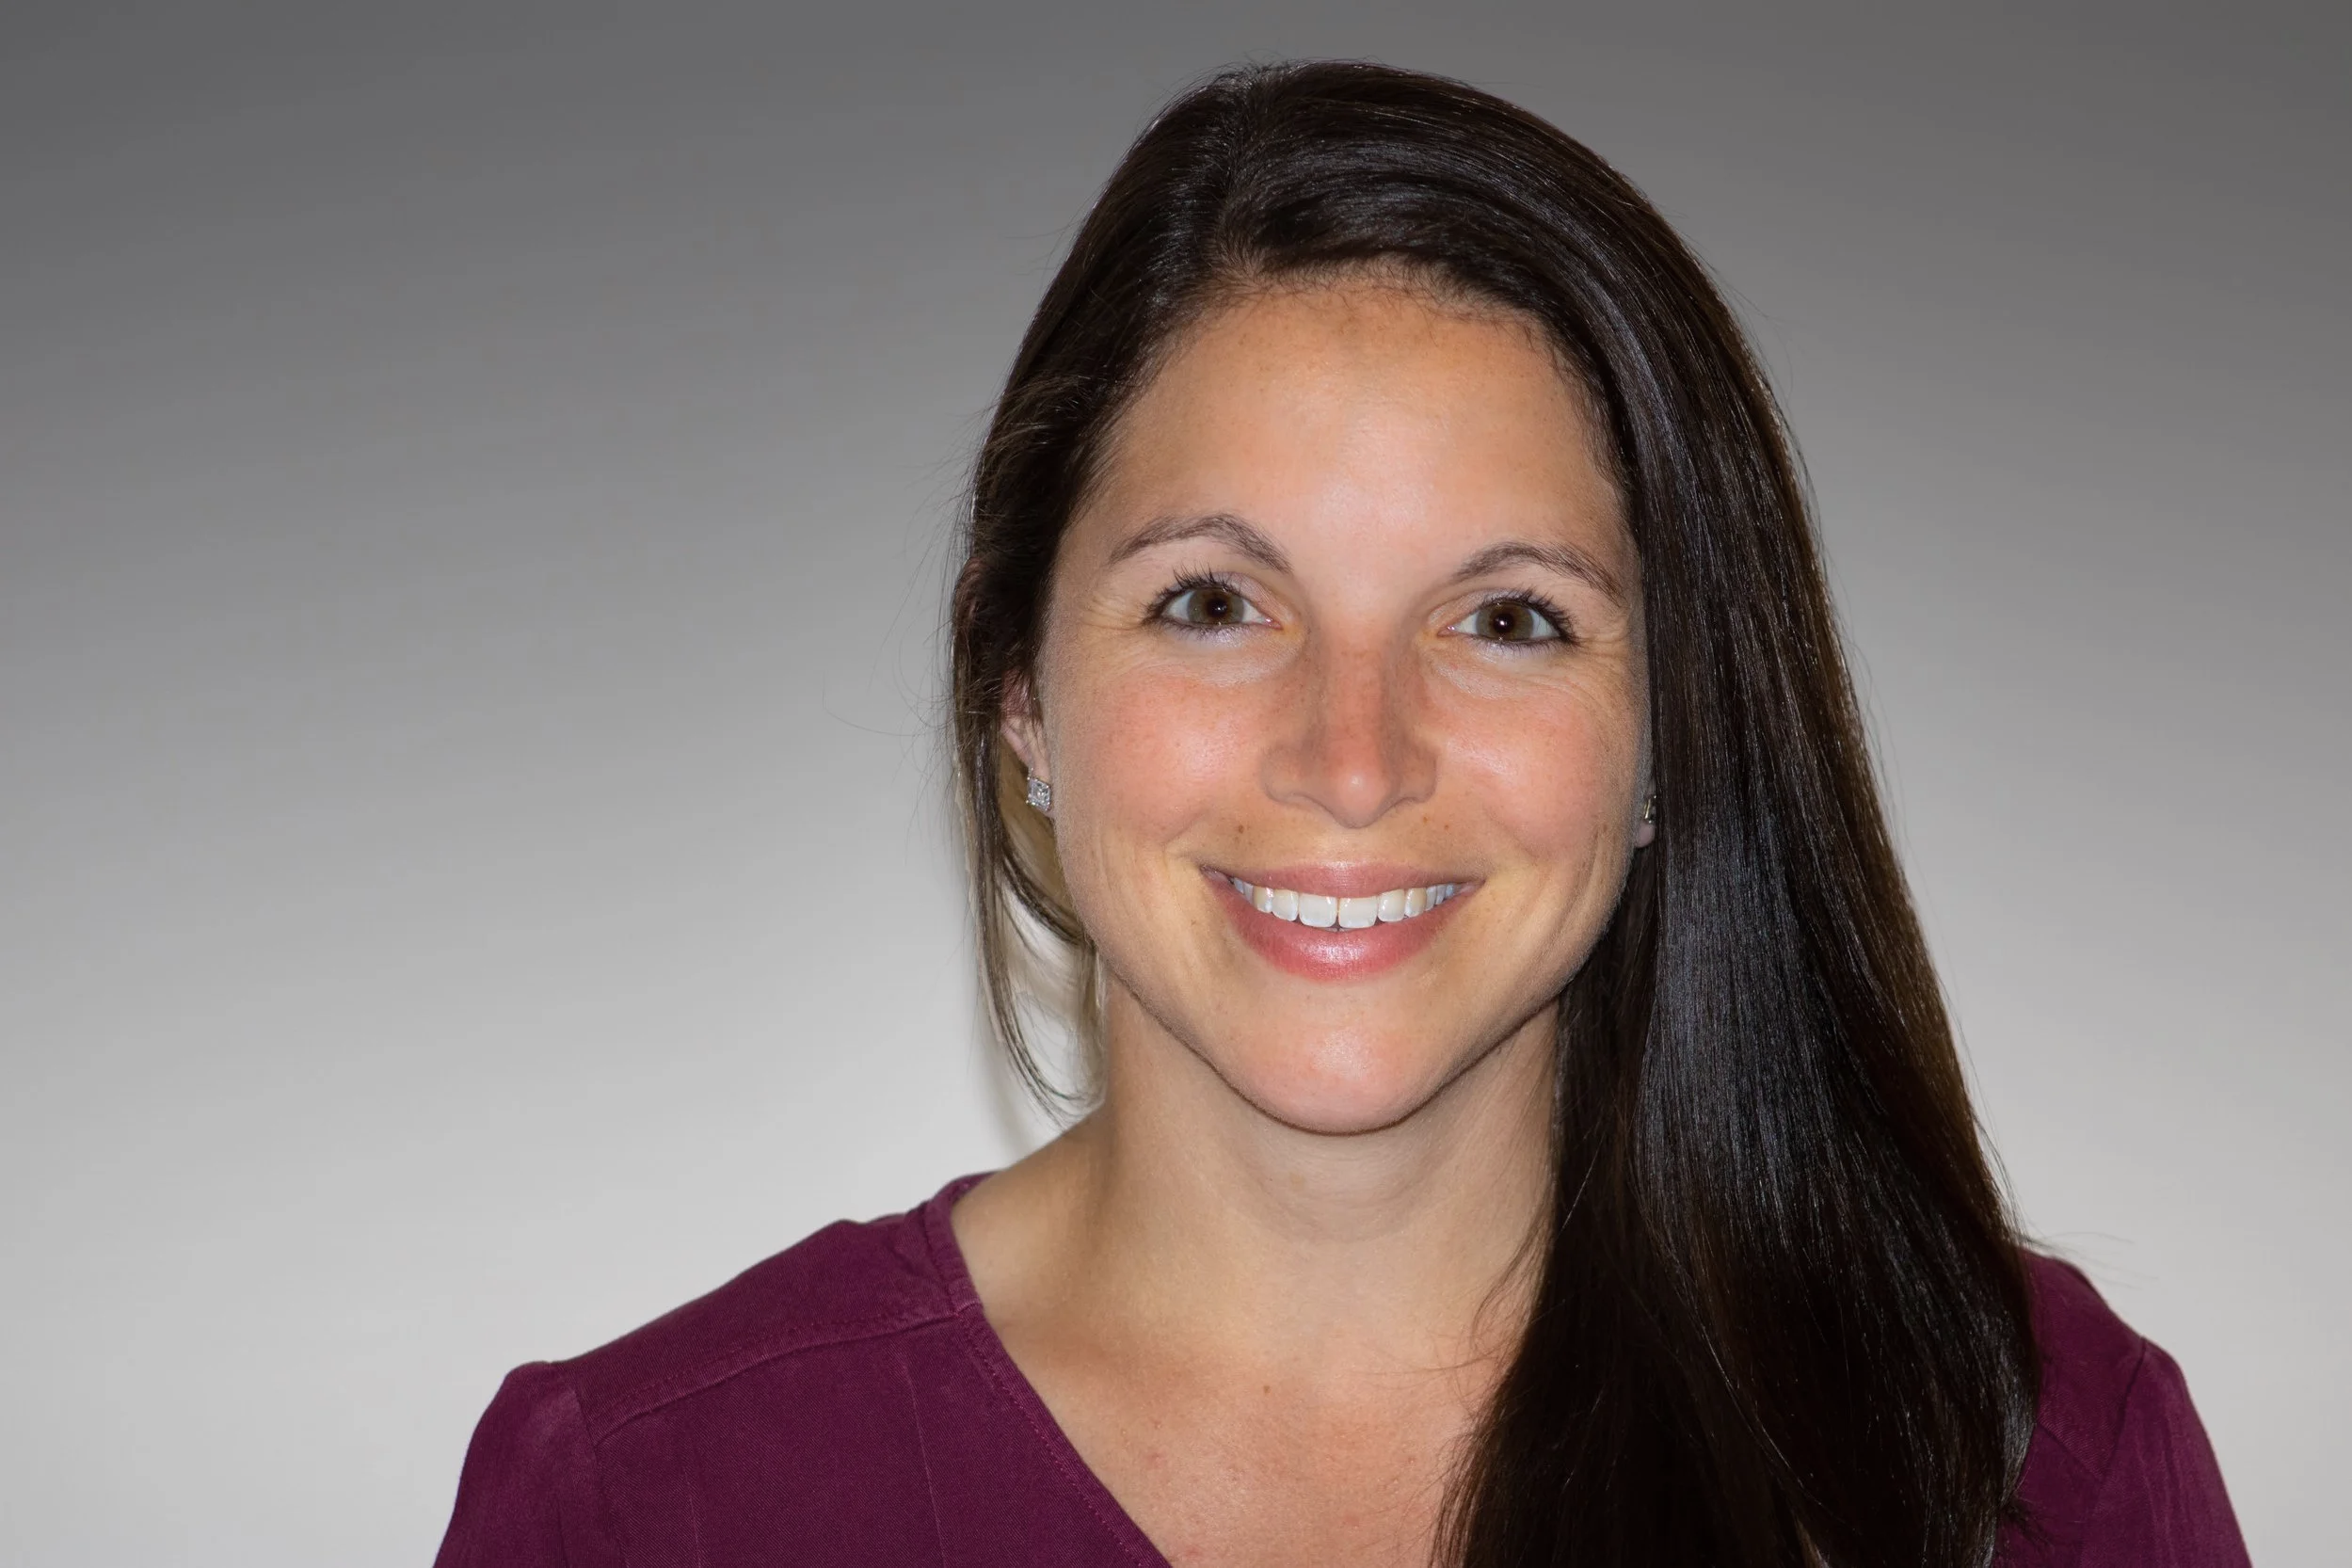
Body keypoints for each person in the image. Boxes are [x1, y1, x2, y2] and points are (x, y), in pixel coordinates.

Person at [432, 61, 2249, 1568]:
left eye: (1507, 617)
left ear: (1676, 727)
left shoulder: (2029, 1463)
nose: (1353, 757)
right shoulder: (639, 1500)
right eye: (1214, 603)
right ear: (1018, 684)